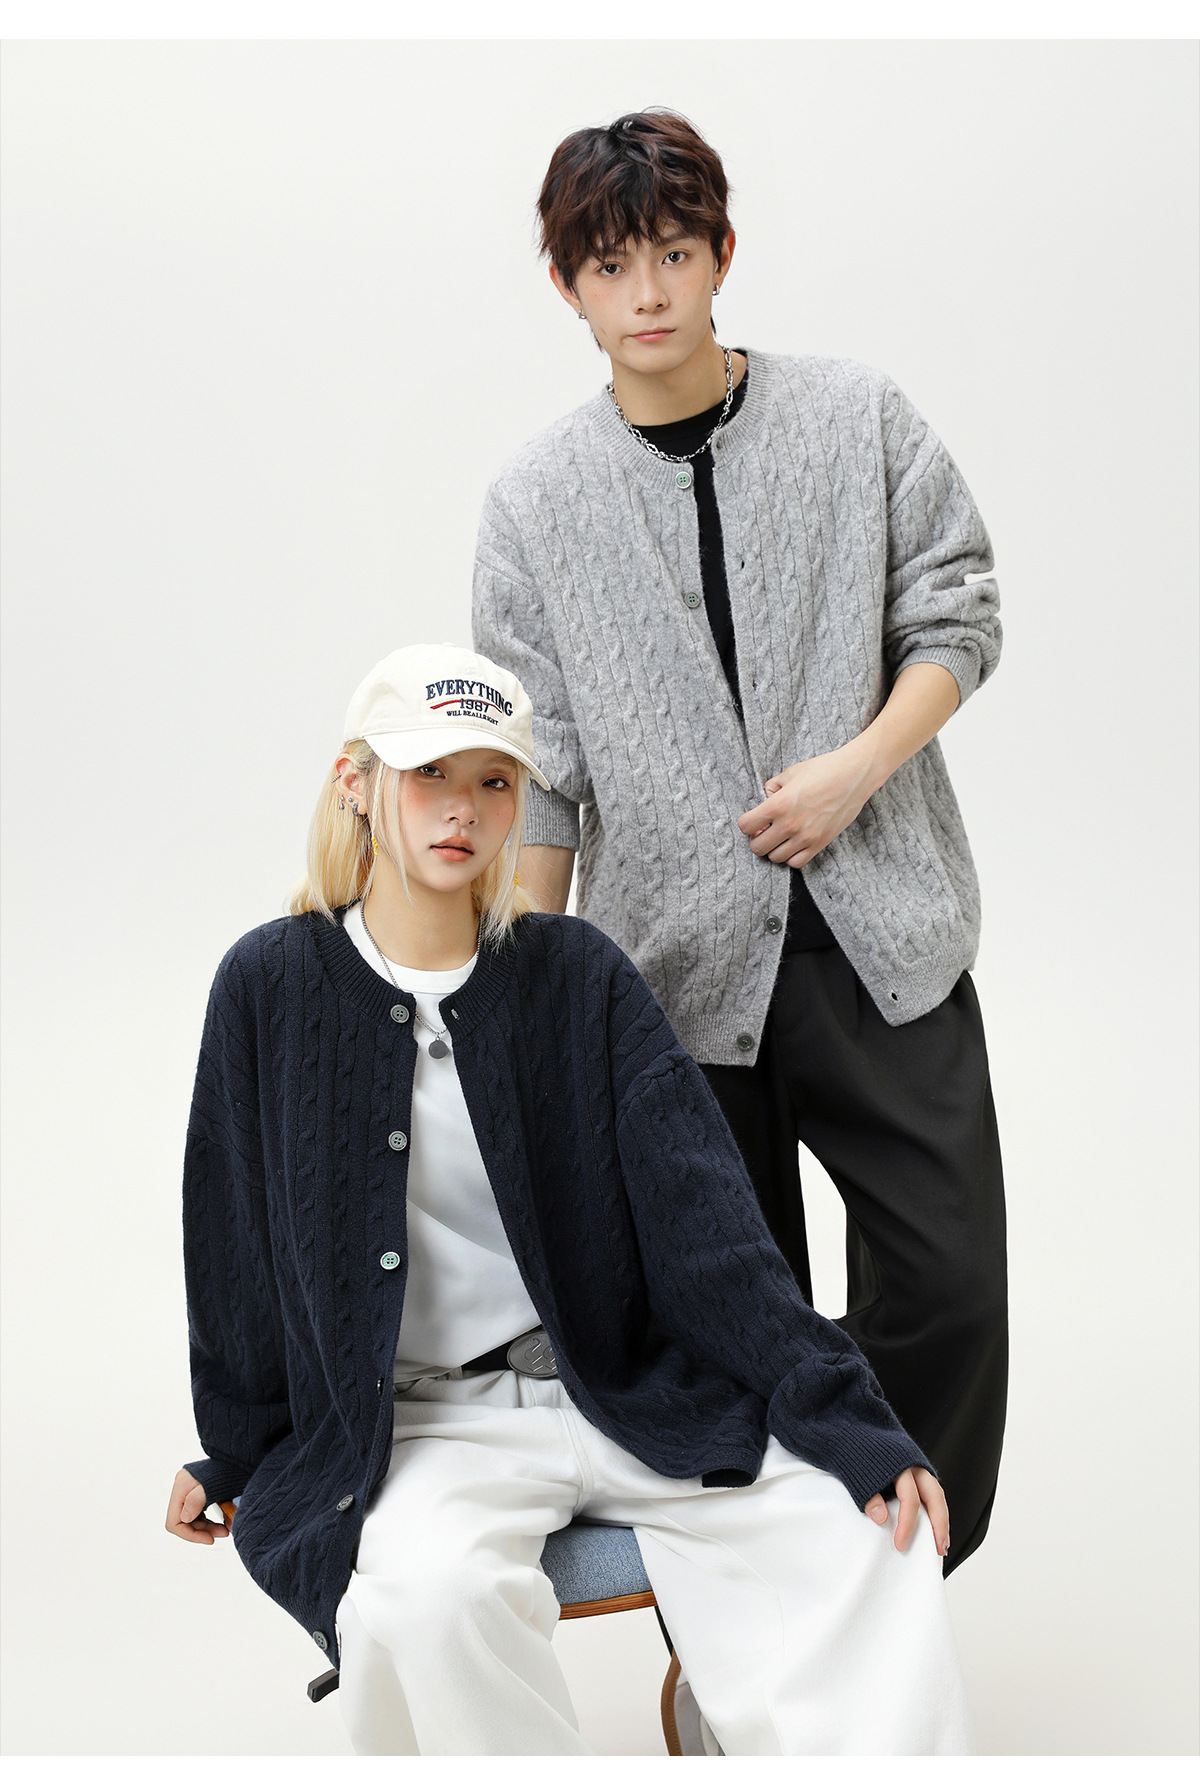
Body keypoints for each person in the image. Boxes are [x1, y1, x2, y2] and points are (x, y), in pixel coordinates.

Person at [165, 643, 971, 1757]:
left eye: (493, 780)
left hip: (625, 1393)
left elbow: (709, 1232)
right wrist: (244, 1454)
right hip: (431, 1430)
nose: (463, 809)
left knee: (875, 1532)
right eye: (429, 774)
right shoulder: (270, 986)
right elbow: (233, 1247)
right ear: (355, 782)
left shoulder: (577, 975)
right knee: (421, 1604)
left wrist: (847, 1414)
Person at [472, 109, 1007, 1573]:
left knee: (950, 1289)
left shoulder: (856, 416)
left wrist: (858, 771)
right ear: (567, 288)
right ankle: (752, 1623)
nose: (647, 292)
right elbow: (545, 777)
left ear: (720, 255)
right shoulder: (534, 503)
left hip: (883, 941)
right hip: (675, 983)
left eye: (672, 253)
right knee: (723, 1329)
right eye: (609, 266)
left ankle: (888, 1580)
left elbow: (958, 611)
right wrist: (534, 998)